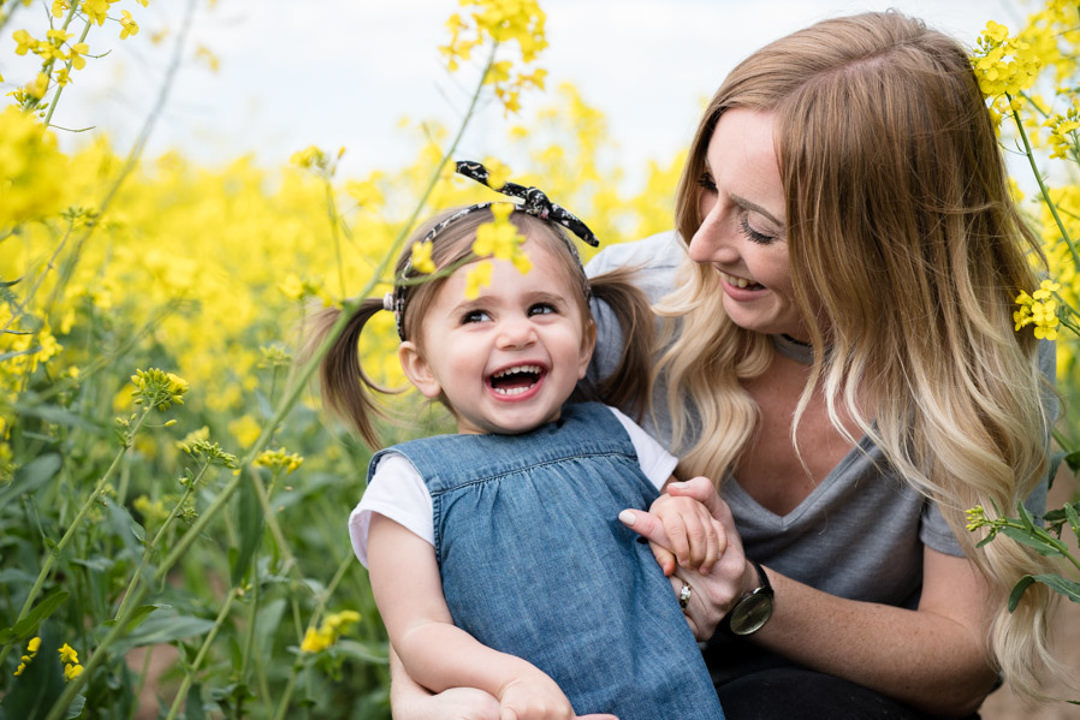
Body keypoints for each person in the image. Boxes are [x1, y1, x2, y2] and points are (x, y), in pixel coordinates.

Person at [392, 11, 1065, 720]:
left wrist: (746, 591)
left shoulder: (985, 361)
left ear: (882, 243)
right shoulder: (619, 311)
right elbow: (467, 541)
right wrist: (435, 702)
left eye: (760, 227)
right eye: (709, 186)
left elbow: (961, 662)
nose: (703, 242)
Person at [311, 161, 728, 720]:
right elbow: (416, 631)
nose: (516, 332)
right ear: (421, 366)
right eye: (477, 316)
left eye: (541, 308)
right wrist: (511, 681)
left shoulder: (615, 432)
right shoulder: (408, 485)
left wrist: (685, 520)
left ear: (585, 345)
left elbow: (675, 515)